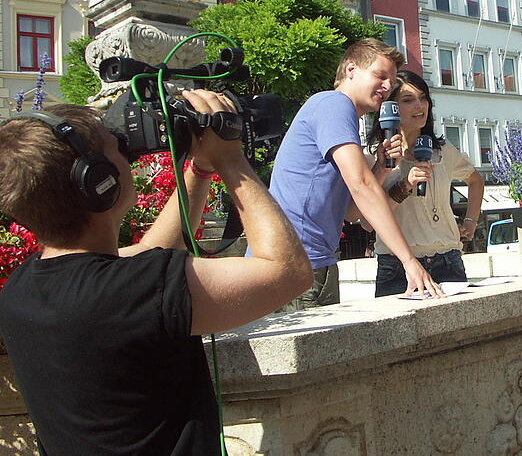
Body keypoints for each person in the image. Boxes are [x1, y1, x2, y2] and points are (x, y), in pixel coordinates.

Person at [0, 92, 313, 454]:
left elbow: (151, 250)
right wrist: (230, 159)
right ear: (98, 180)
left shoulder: (21, 289)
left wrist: (200, 169)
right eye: (118, 150)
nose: (129, 158)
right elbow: (288, 272)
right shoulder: (135, 289)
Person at [268, 39, 443, 305]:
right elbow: (362, 185)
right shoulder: (334, 104)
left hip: (315, 261)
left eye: (391, 81)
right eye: (380, 76)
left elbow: (351, 213)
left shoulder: (339, 114)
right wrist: (409, 261)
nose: (387, 86)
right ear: (351, 69)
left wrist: (381, 168)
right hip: (297, 265)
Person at [362, 70, 484, 296]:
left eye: (423, 98)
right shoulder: (375, 157)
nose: (420, 106)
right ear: (391, 108)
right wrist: (405, 185)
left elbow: (476, 180)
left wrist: (470, 222)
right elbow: (368, 223)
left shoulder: (442, 151)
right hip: (397, 266)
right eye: (408, 100)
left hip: (448, 260)